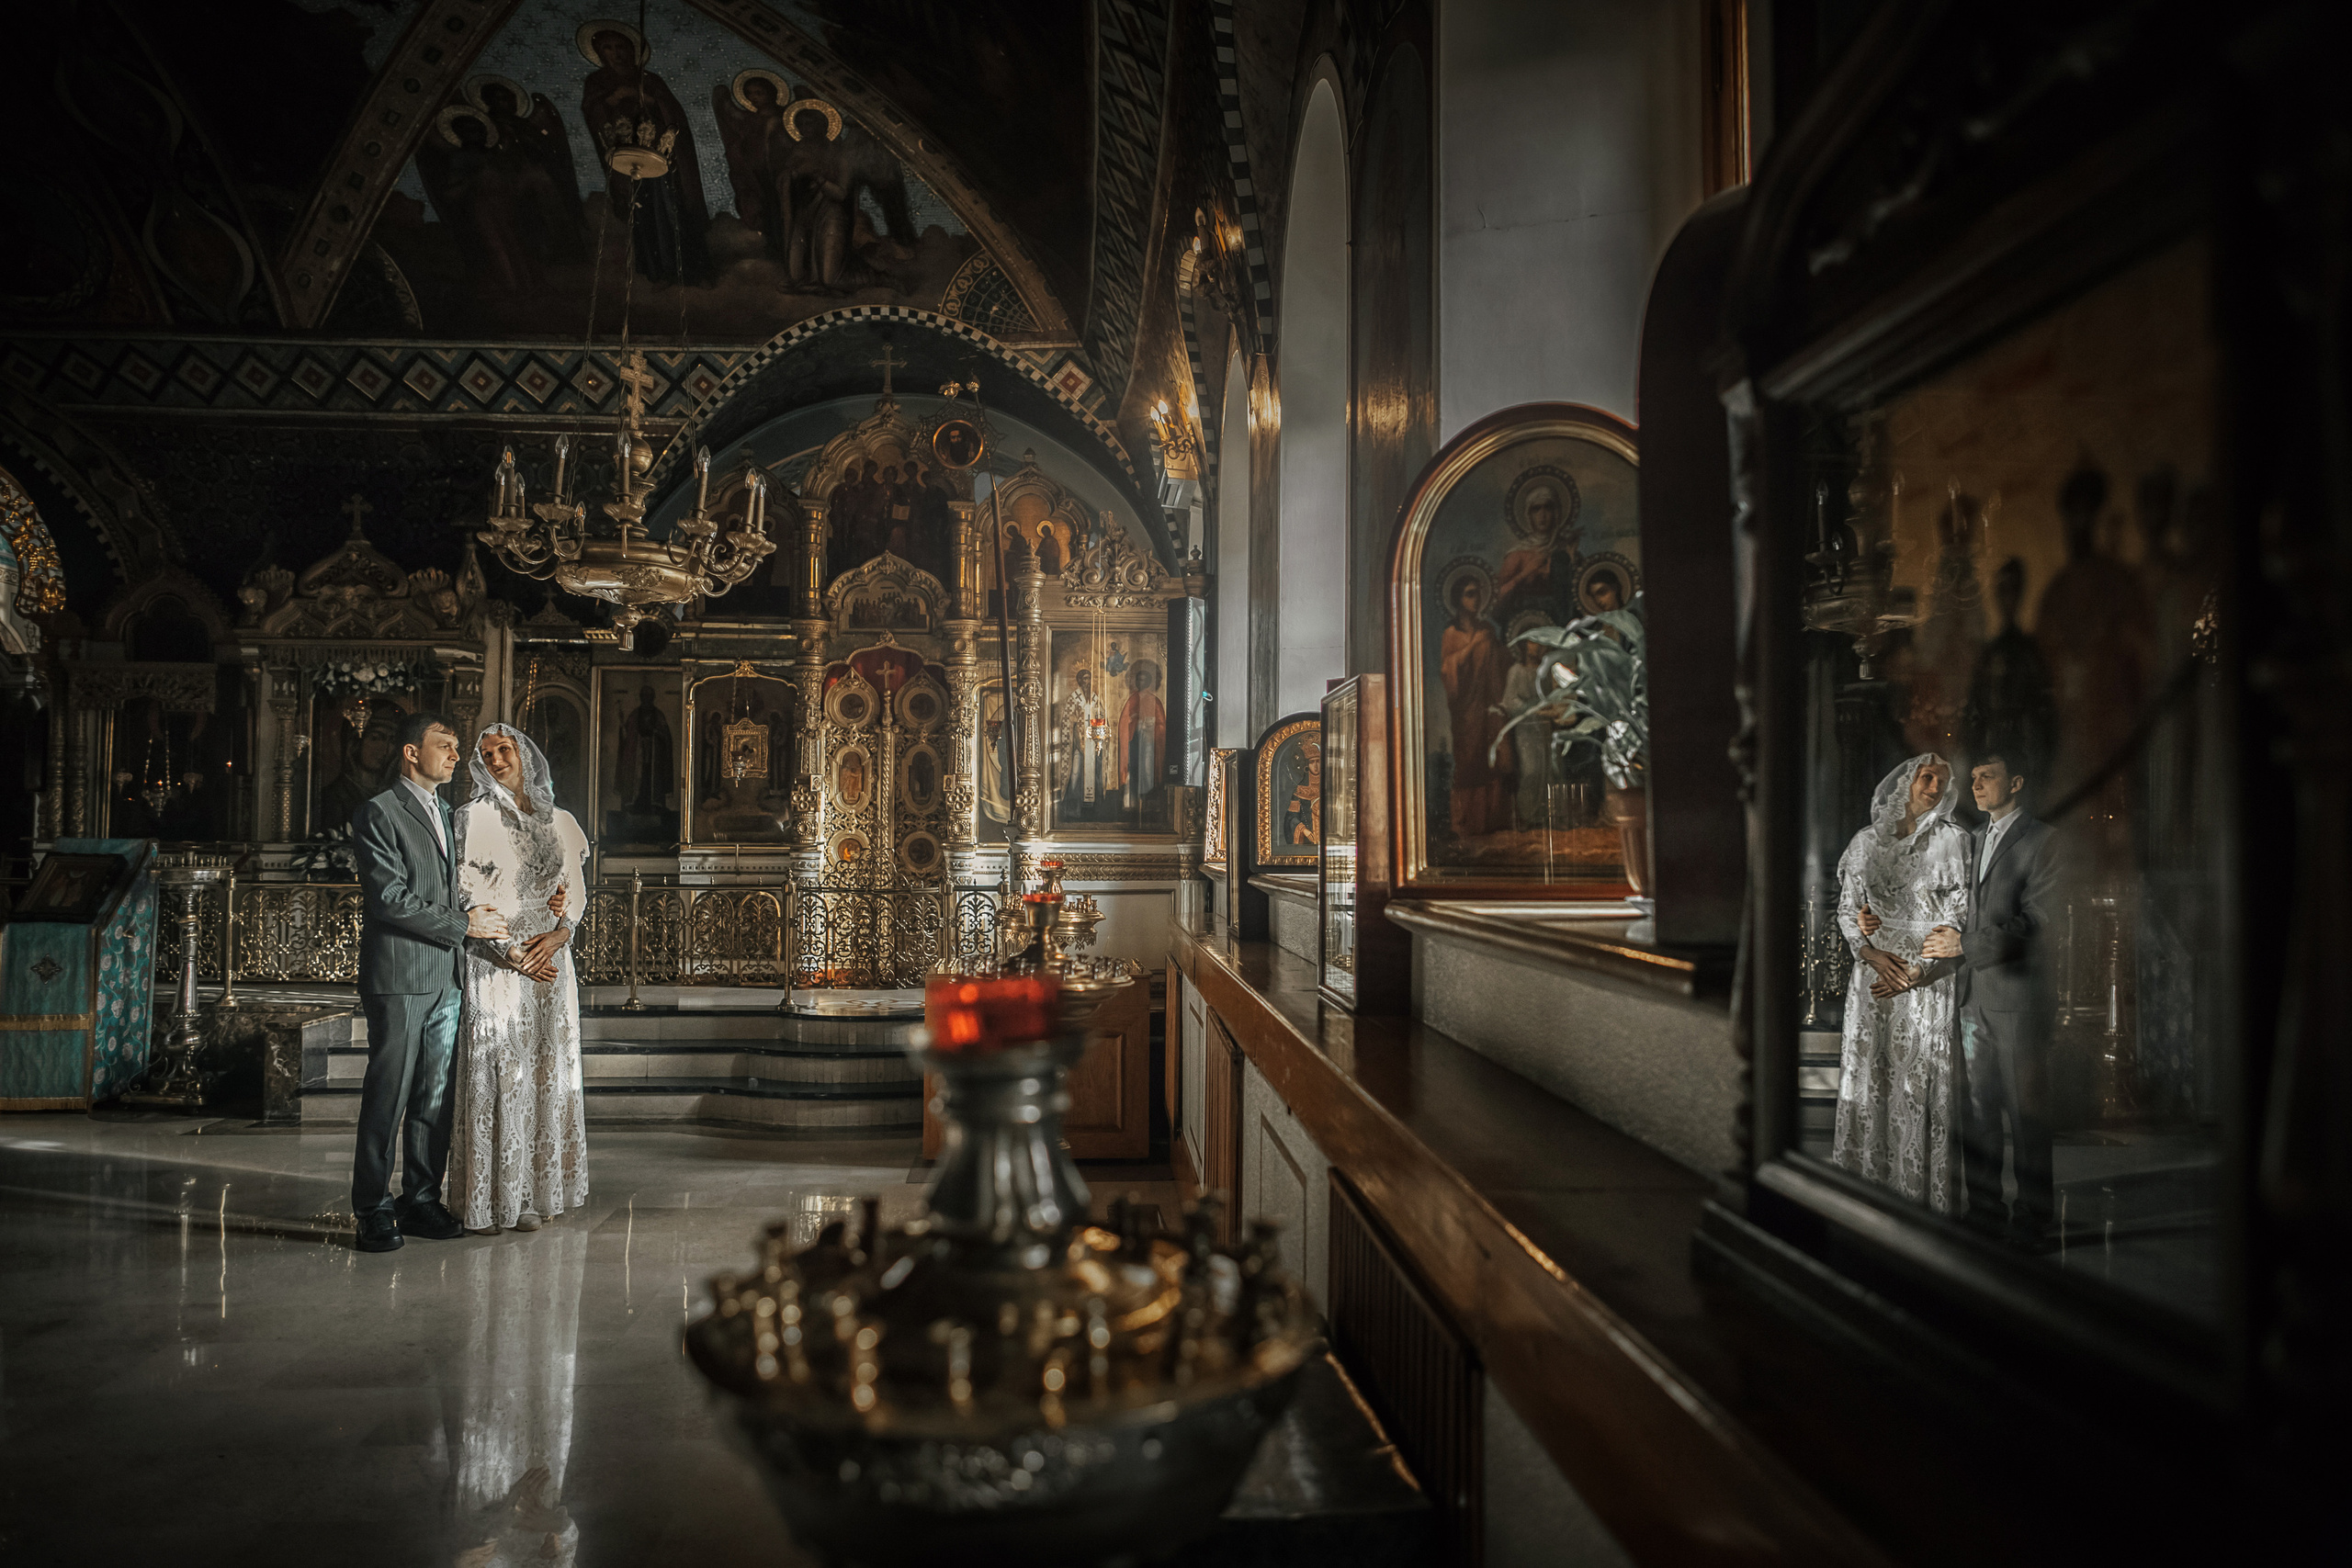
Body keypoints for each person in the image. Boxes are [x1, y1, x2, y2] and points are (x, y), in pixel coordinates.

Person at [349, 713, 510, 1255]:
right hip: (399, 975)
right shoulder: (379, 811)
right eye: (445, 745)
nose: (456, 755)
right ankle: (372, 1209)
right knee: (388, 1096)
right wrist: (464, 925)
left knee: (434, 1096)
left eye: (457, 746)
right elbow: (389, 898)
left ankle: (420, 1198)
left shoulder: (447, 813)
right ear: (411, 752)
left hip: (448, 975)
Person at [449, 724, 590, 1235]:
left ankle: (531, 1195)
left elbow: (574, 888)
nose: (496, 760)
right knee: (500, 1069)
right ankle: (488, 1200)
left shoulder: (560, 820)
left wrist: (561, 932)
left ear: (525, 755)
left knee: (544, 1070)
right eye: (486, 754)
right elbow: (468, 892)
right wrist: (510, 951)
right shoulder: (473, 818)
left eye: (504, 749)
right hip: (497, 961)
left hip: (550, 959)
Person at [1921, 751, 2062, 1247]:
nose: (1977, 785)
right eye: (1974, 778)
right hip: (1970, 997)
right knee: (1977, 1113)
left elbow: (2040, 920)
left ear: (2016, 782)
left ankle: (2034, 1217)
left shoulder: (2044, 840)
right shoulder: (1972, 839)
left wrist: (1965, 946)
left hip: (2019, 999)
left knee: (2026, 1116)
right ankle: (1983, 1210)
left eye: (1988, 777)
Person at [1834, 754, 1969, 1214]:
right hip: (1873, 977)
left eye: (1942, 781)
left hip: (1928, 980)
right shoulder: (1865, 842)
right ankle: (1868, 1194)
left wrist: (1919, 971)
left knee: (1922, 1079)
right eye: (1926, 777)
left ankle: (1921, 1198)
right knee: (1872, 1078)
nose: (1933, 787)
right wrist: (1869, 953)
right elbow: (1847, 909)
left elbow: (1959, 915)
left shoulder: (1954, 841)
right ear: (1907, 782)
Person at [1440, 577, 1511, 839]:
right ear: (1458, 599)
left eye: (1478, 594)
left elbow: (1500, 664)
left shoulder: (1487, 629)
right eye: (1470, 594)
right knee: (1469, 761)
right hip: (1466, 711)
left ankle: (1491, 820)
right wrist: (1473, 646)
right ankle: (1466, 823)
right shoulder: (1451, 634)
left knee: (1491, 760)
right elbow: (1448, 669)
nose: (1476, 599)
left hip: (1488, 704)